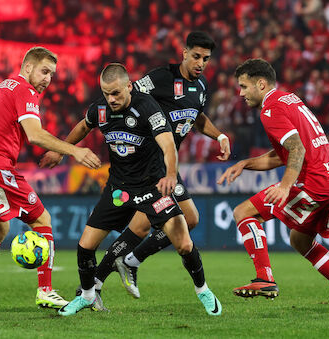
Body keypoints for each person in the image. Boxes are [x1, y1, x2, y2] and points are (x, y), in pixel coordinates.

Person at [41, 63, 222, 317]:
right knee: (85, 246)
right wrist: (61, 150)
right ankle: (87, 296)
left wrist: (171, 175)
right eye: (106, 93)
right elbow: (84, 125)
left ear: (129, 86)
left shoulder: (147, 106)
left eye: (116, 93)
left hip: (152, 186)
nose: (111, 99)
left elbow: (168, 143)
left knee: (183, 242)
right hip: (119, 189)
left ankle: (203, 290)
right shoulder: (100, 110)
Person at [0, 47, 101, 314]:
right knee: (42, 219)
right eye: (44, 71)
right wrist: (74, 151)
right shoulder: (25, 90)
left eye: (52, 74)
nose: (48, 79)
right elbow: (34, 134)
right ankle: (45, 291)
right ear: (27, 68)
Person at [217, 58, 329, 316]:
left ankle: (264, 278)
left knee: (243, 212)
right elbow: (282, 154)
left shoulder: (270, 110)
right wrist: (245, 164)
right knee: (300, 240)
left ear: (261, 84)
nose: (240, 93)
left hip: (314, 181)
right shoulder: (290, 99)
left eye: (243, 86)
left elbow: (297, 148)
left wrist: (286, 186)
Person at [91, 31, 230, 302]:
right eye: (196, 56)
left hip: (168, 166)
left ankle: (126, 263)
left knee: (188, 220)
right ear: (184, 53)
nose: (201, 63)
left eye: (206, 59)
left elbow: (196, 118)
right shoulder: (160, 77)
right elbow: (125, 98)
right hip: (148, 166)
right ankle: (96, 282)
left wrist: (220, 135)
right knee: (143, 227)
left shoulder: (201, 87)